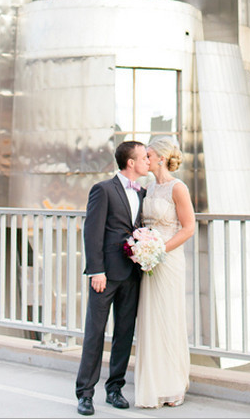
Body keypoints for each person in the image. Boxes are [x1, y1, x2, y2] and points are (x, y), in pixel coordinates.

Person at [75, 140, 150, 416]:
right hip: (105, 275)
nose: (147, 161)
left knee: (124, 333)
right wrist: (96, 270)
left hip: (132, 273)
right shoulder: (103, 190)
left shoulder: (142, 193)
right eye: (144, 157)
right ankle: (85, 394)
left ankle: (115, 388)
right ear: (130, 163)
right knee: (95, 333)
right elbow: (92, 232)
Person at [133, 135, 195, 409]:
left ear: (159, 157)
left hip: (168, 261)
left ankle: (171, 385)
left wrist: (160, 250)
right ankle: (153, 384)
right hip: (149, 261)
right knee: (150, 320)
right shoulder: (147, 188)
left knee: (168, 317)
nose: (144, 159)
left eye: (147, 155)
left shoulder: (177, 188)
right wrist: (142, 248)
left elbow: (188, 228)